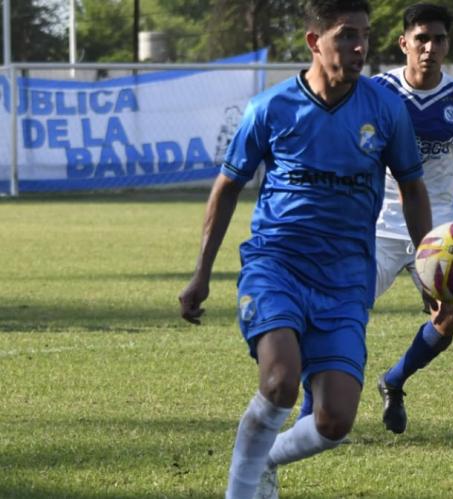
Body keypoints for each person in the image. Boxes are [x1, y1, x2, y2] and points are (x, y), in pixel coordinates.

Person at [177, 1, 431, 498]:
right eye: (345, 36)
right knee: (279, 381)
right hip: (277, 266)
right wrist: (201, 273)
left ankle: (263, 458)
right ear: (315, 42)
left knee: (334, 421)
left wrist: (427, 269)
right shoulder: (270, 108)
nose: (359, 48)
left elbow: (413, 187)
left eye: (364, 35)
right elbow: (227, 186)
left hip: (344, 279)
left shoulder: (385, 109)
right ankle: (242, 488)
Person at [298, 2, 453, 435]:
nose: (431, 47)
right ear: (403, 43)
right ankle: (308, 410)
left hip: (441, 235)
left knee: (451, 317)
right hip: (376, 228)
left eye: (440, 39)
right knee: (341, 315)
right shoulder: (375, 92)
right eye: (422, 38)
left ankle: (394, 381)